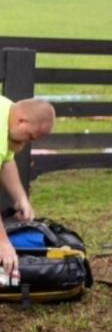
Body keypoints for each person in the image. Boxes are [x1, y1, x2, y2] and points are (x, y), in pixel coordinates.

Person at [0, 98, 55, 278]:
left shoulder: (8, 111)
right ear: (21, 121)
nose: (26, 143)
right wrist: (3, 243)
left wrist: (20, 199)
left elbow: (6, 160)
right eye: (30, 136)